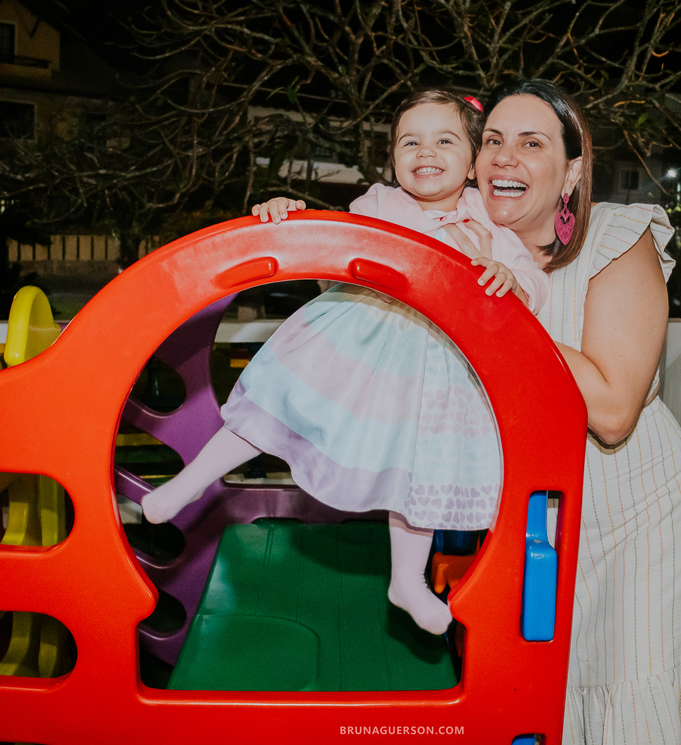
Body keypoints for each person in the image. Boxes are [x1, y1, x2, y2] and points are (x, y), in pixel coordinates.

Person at [142, 89, 549, 635]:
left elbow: (531, 281)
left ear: (473, 159)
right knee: (280, 404)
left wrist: (509, 278)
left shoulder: (487, 222)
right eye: (411, 141)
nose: (425, 151)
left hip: (434, 367)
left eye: (444, 140)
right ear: (393, 157)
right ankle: (192, 481)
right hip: (358, 336)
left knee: (418, 470)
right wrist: (285, 215)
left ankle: (407, 580)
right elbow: (327, 241)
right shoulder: (382, 203)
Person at [474, 79, 681, 743]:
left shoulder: (615, 236)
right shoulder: (468, 243)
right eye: (493, 141)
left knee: (633, 699)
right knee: (553, 703)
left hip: (633, 517)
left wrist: (498, 311)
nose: (505, 158)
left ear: (572, 170)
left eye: (532, 143)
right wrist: (284, 212)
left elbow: (614, 407)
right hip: (537, 529)